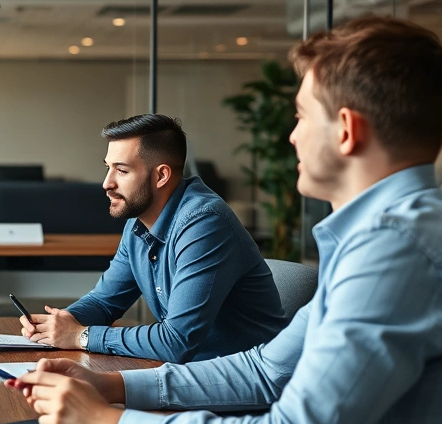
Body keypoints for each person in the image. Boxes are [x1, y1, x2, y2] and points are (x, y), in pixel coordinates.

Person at [10, 16, 442, 424]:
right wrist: (117, 388)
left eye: (302, 116)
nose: (291, 136)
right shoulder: (383, 237)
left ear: (347, 131)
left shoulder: (394, 251)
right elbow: (267, 371)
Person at [21, 114, 287, 363]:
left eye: (121, 171)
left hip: (245, 382)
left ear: (161, 175)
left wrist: (80, 336)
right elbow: (105, 301)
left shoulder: (205, 224)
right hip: (191, 373)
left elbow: (177, 341)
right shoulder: (140, 223)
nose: (106, 183)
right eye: (108, 168)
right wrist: (61, 323)